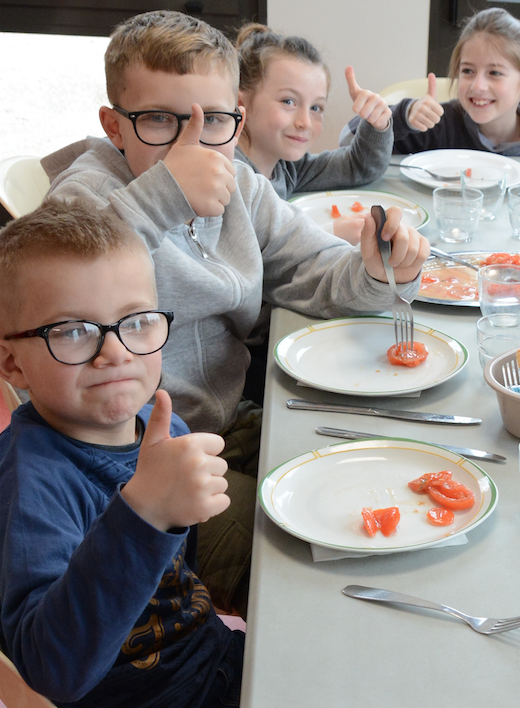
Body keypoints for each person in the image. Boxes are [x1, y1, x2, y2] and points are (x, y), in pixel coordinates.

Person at [41, 9, 429, 616]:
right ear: (115, 126)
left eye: (213, 120)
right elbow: (72, 291)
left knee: (361, 479)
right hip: (131, 469)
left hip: (224, 418)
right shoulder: (85, 196)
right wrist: (165, 193)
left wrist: (379, 271)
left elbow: (314, 270)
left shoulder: (243, 187)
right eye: (161, 120)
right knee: (299, 561)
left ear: (236, 119)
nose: (192, 142)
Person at [0, 200, 242, 708]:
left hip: (214, 672)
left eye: (135, 321)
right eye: (73, 331)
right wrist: (145, 513)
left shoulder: (159, 428)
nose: (115, 351)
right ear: (13, 361)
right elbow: (51, 665)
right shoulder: (32, 483)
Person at [340, 8, 520, 157]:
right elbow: (347, 143)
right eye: (468, 70)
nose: (477, 86)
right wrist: (403, 116)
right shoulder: (437, 125)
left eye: (495, 73)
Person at [234, 23, 393, 208]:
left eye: (316, 108)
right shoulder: (228, 175)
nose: (305, 123)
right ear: (240, 105)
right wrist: (332, 231)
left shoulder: (287, 167)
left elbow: (358, 167)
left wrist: (377, 126)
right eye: (288, 101)